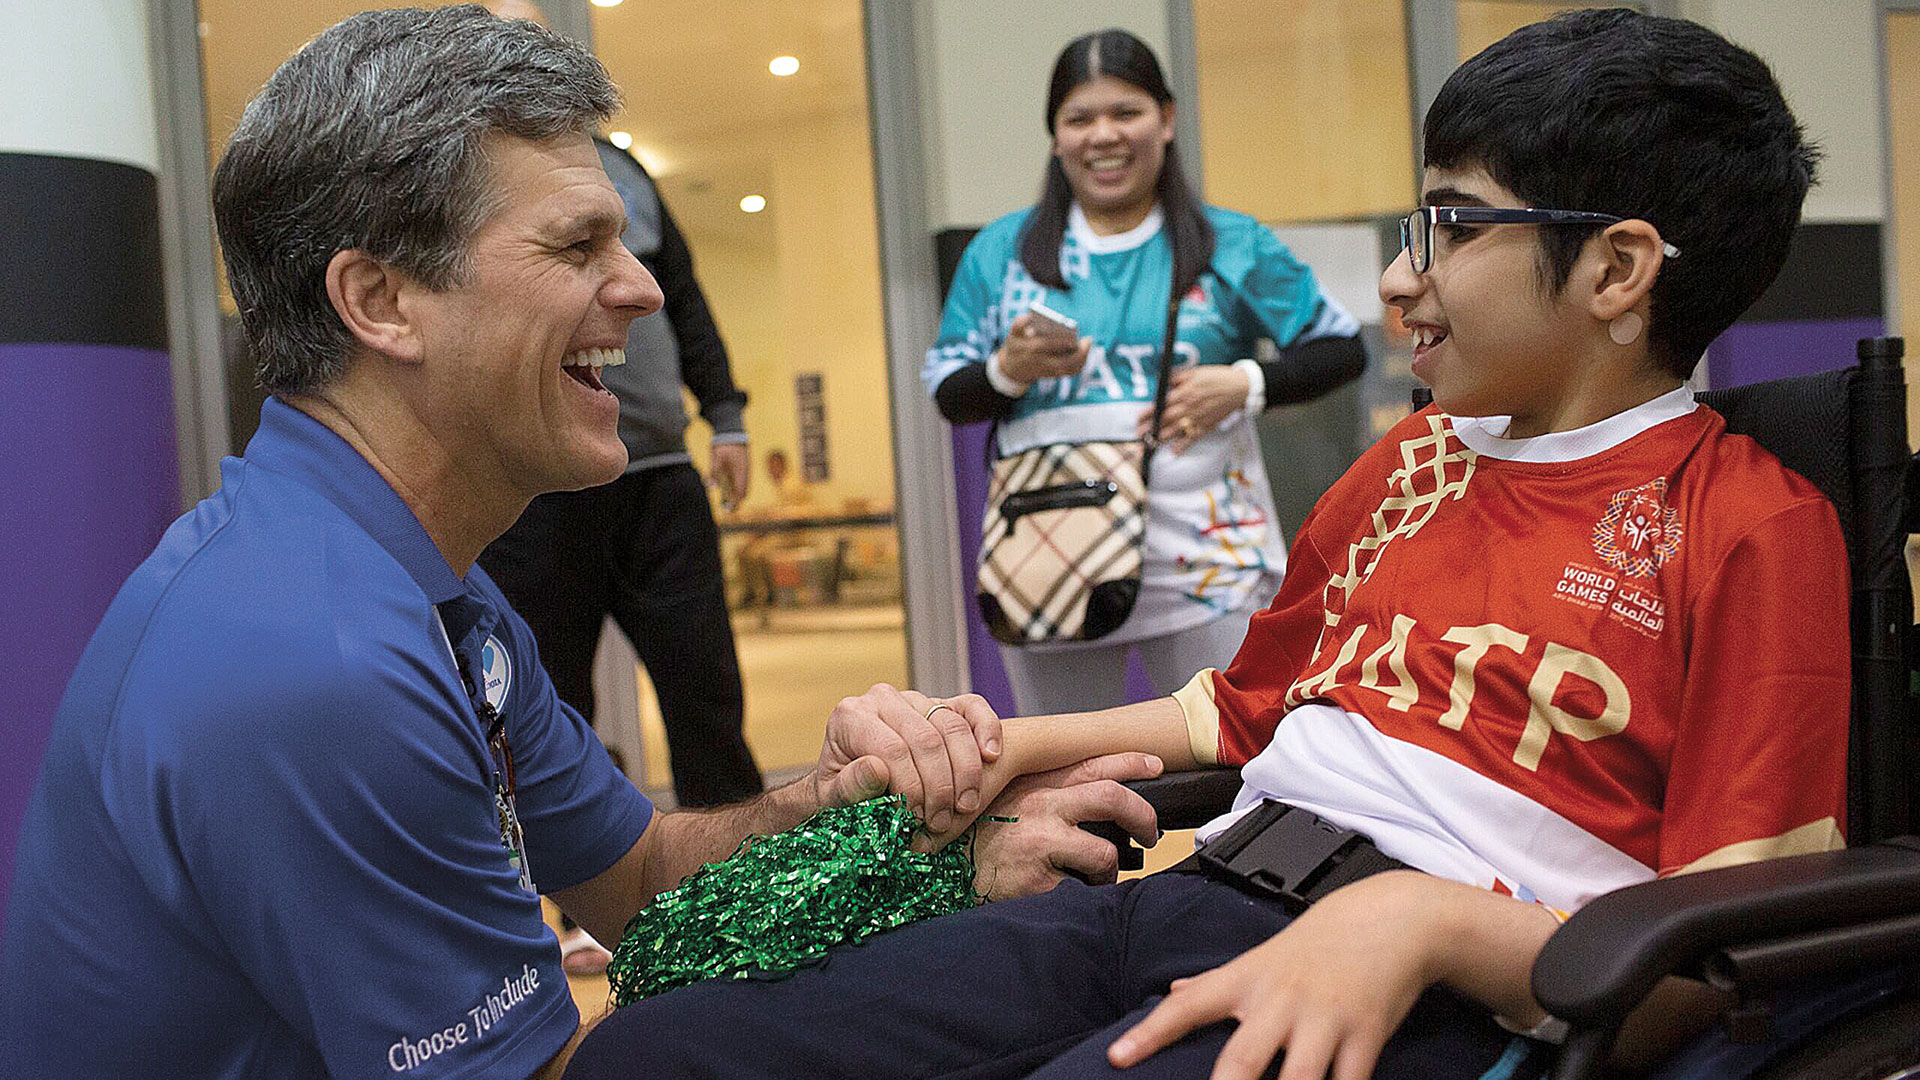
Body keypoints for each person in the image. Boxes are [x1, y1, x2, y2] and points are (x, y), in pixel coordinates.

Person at [566, 11, 1849, 1080]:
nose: (1403, 280)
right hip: (1196, 889)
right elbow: (1236, 709)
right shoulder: (1412, 465)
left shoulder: (1749, 526)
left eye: (1450, 227)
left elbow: (1711, 951)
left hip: (1440, 983)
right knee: (655, 1055)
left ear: (1619, 270)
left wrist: (1421, 924)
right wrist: (981, 745)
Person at [0, 9, 1154, 1079]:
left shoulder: (420, 584)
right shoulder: (312, 657)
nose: (643, 289)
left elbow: (639, 876)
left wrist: (884, 828)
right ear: (382, 300)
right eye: (577, 246)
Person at [926, 29, 1366, 717]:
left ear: (1165, 120)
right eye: (1079, 118)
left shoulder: (1232, 242)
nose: (1104, 135)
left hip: (1205, 561)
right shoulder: (999, 253)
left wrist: (1244, 384)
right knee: (1070, 787)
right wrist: (1006, 370)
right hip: (1051, 564)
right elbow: (952, 397)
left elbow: (1342, 348)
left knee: (1238, 770)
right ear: (1055, 137)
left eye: (1125, 112)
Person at [475, 0, 761, 977]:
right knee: (542, 706)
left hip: (660, 479)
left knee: (704, 693)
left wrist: (724, 415)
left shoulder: (622, 167)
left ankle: (751, 897)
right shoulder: (463, 181)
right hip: (535, 495)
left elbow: (683, 299)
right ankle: (567, 912)